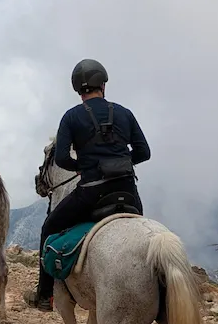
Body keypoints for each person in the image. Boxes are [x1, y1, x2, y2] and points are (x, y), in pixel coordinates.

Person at [24, 59, 150, 311]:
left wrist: (82, 168)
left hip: (92, 191)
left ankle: (44, 294)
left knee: (49, 226)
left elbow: (60, 158)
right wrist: (122, 161)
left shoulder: (71, 117)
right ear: (103, 84)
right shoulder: (124, 113)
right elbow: (144, 152)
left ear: (78, 90)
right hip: (128, 191)